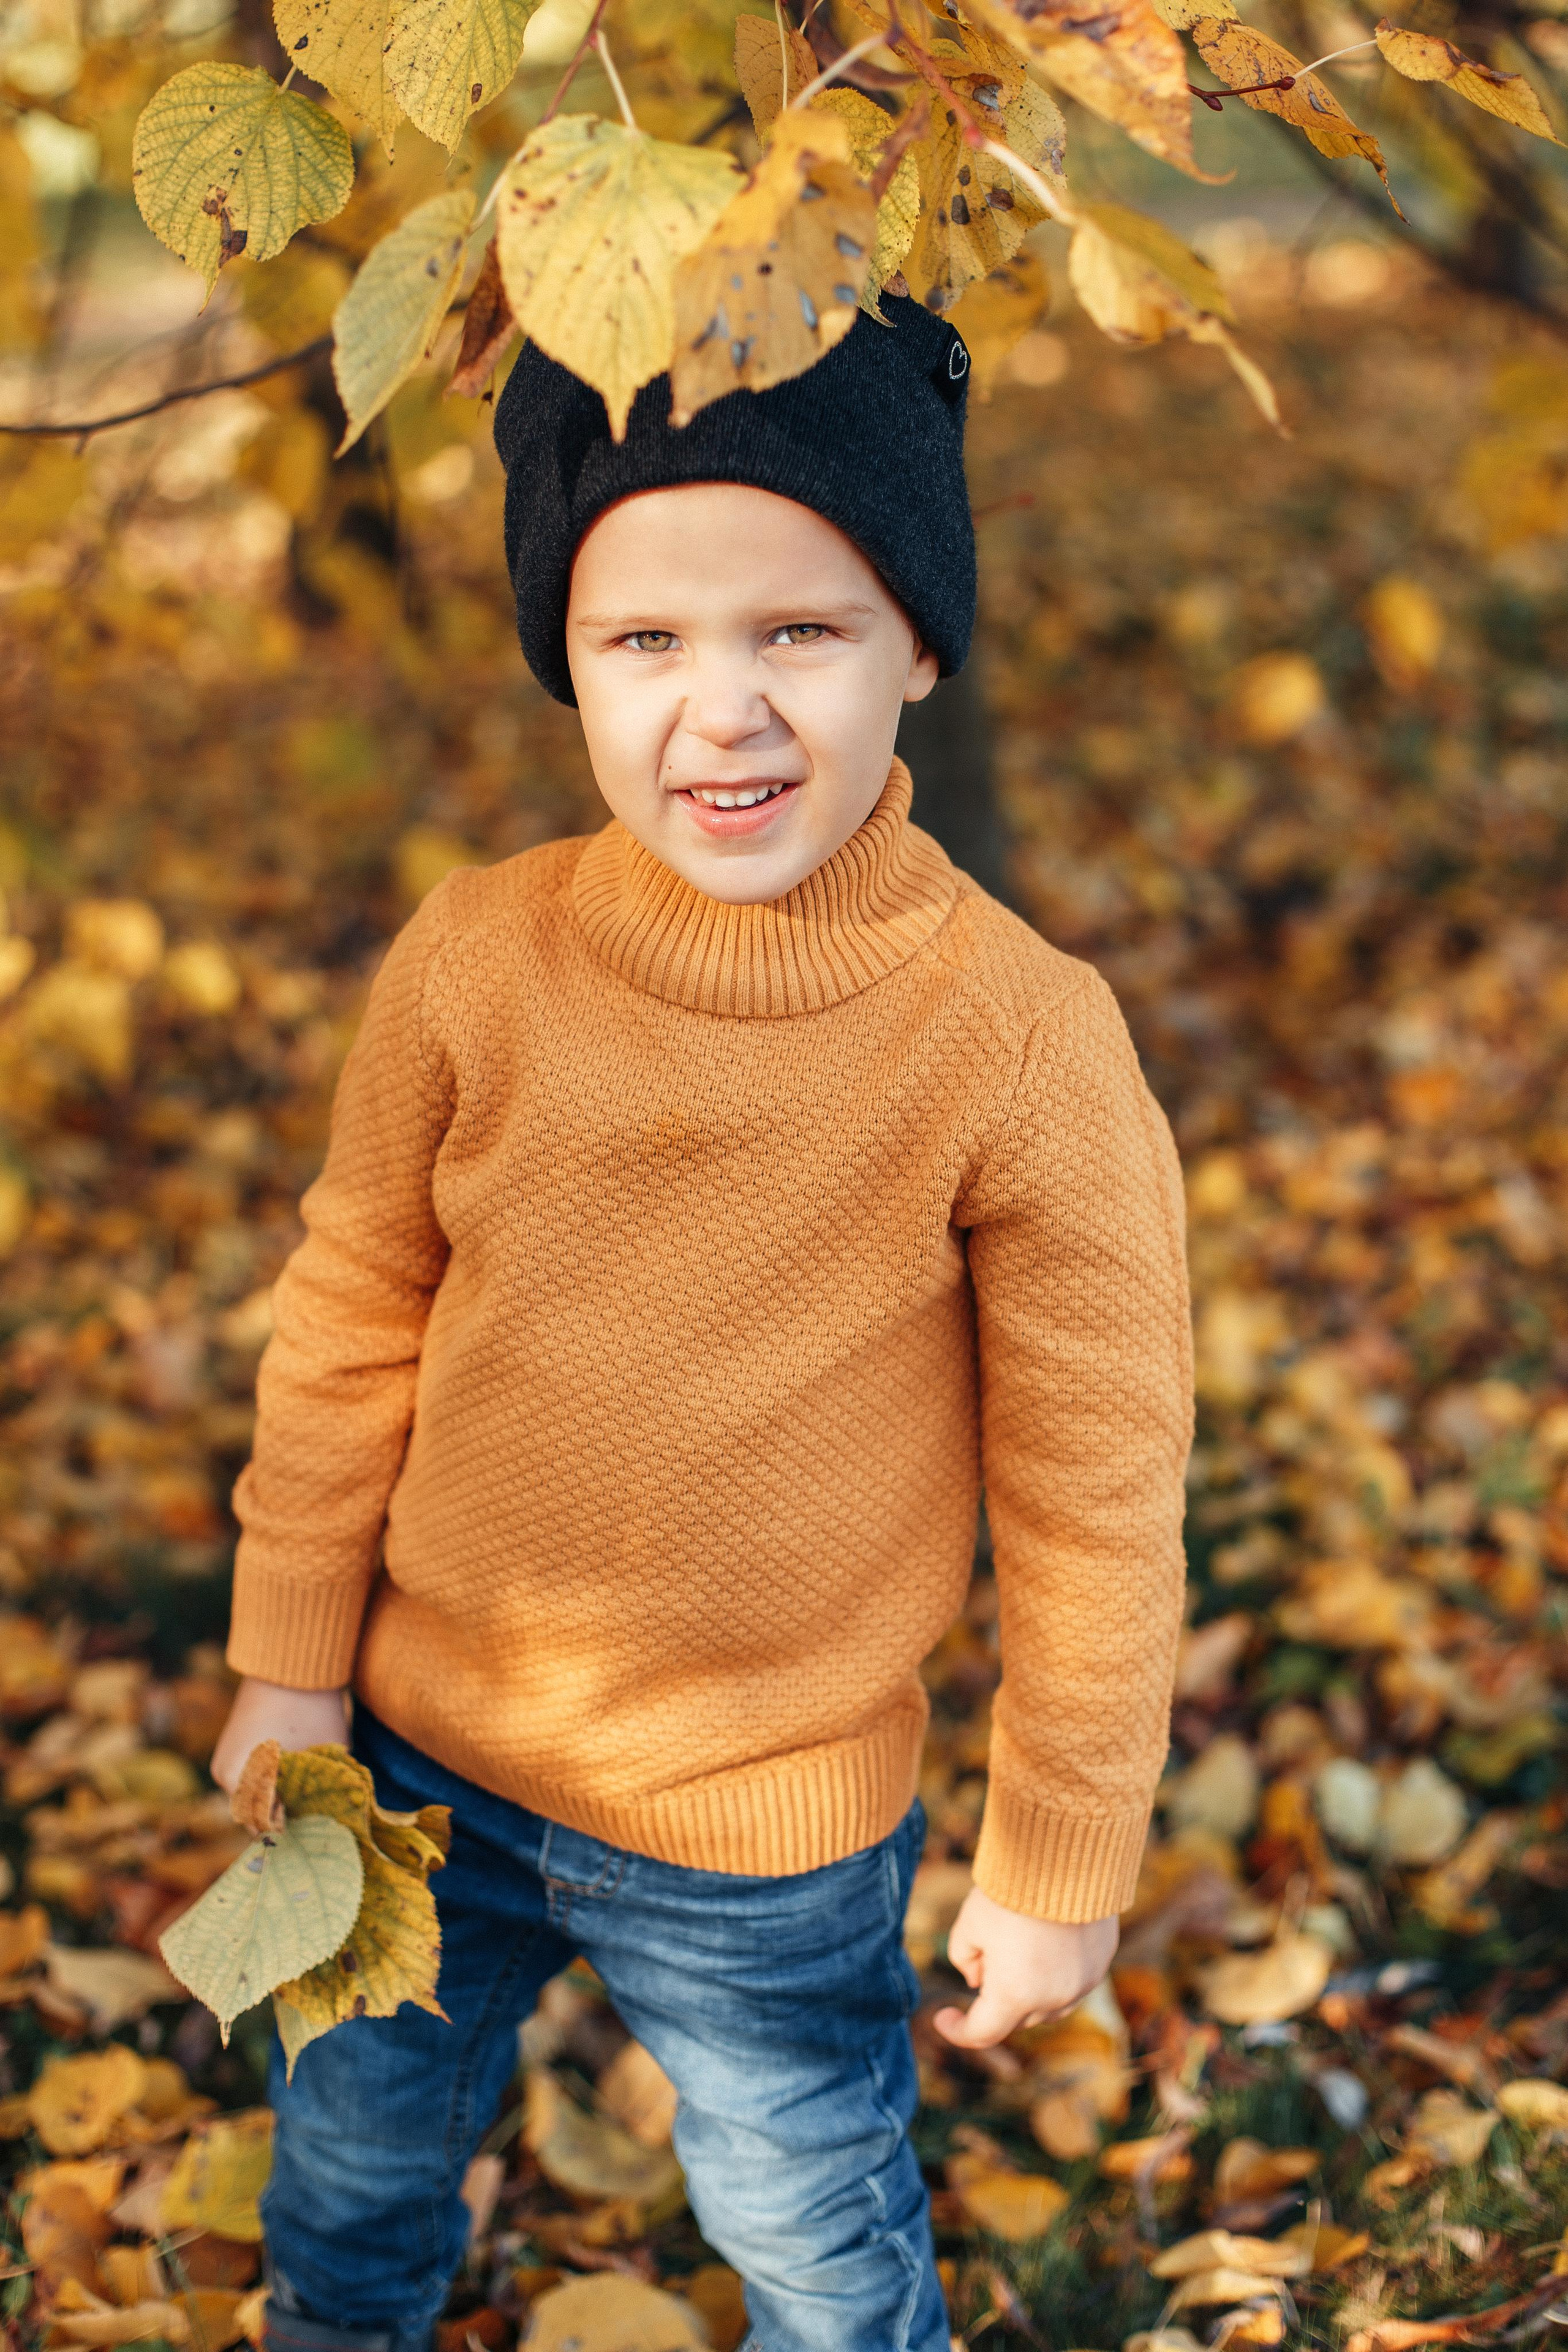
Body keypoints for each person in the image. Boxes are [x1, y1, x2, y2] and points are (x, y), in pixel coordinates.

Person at [211, 297, 1193, 2352]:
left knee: (816, 2228)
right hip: (417, 1754)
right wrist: (289, 1663)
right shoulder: (474, 961)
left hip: (774, 1818)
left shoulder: (1021, 1039)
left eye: (799, 634)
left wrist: (1062, 1846)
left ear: (919, 643)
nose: (721, 711)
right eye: (643, 642)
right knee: (351, 2167)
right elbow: (353, 1305)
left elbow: (1098, 1486)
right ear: (566, 657)